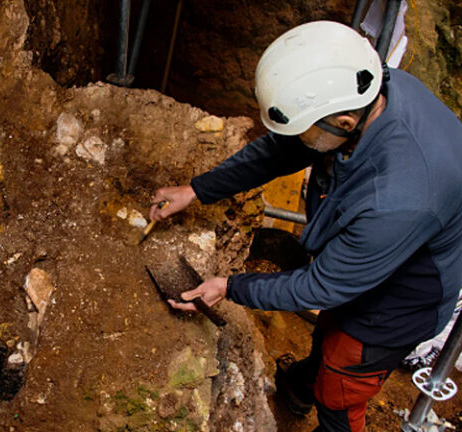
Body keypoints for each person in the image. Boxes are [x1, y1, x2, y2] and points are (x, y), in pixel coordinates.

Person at [150, 21, 462, 432]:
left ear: (346, 125)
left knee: (342, 385)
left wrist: (228, 287)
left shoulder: (398, 199)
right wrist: (196, 190)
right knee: (330, 337)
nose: (297, 138)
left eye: (304, 129)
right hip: (377, 256)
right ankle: (299, 387)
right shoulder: (368, 89)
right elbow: (281, 151)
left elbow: (321, 286)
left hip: (399, 304)